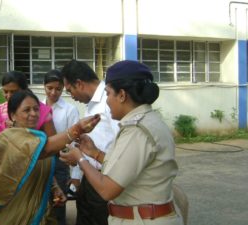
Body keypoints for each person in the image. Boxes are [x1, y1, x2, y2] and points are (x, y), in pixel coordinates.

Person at [59, 60, 184, 225]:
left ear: (122, 95)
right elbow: (126, 164)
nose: (107, 100)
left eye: (109, 93)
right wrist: (94, 152)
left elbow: (107, 190)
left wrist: (80, 159)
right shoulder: (148, 121)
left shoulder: (137, 130)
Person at [0, 90, 101, 225]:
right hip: (13, 212)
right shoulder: (7, 139)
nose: (33, 114)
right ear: (13, 115)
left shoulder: (37, 138)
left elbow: (40, 164)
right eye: (27, 110)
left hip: (38, 210)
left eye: (36, 109)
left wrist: (55, 188)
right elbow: (44, 150)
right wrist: (77, 129)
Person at [61, 59, 119, 225]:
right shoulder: (91, 105)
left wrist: (81, 159)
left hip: (107, 178)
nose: (71, 95)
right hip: (90, 177)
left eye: (70, 90)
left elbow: (123, 146)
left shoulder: (109, 101)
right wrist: (78, 170)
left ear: (79, 84)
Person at [43, 69, 79, 225]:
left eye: (58, 89)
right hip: (40, 161)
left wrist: (76, 173)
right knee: (41, 204)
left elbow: (76, 141)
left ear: (63, 88)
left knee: (58, 204)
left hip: (60, 163)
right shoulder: (36, 106)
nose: (53, 92)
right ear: (43, 86)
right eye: (49, 88)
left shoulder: (69, 110)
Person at [0, 71, 56, 137]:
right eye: (5, 91)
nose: (9, 96)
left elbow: (52, 141)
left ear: (24, 90)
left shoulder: (42, 111)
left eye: (13, 92)